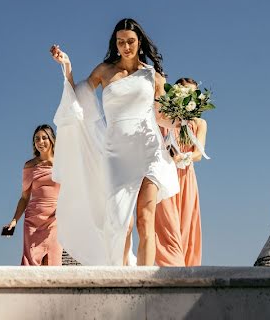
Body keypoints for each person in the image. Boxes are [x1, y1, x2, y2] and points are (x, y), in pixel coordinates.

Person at [49, 18, 180, 266]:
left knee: (145, 218)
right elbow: (79, 97)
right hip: (116, 153)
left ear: (139, 42)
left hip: (148, 147)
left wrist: (182, 120)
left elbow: (162, 116)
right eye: (121, 42)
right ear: (115, 44)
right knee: (121, 222)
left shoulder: (153, 76)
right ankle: (122, 277)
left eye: (130, 41)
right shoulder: (104, 71)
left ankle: (145, 284)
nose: (126, 47)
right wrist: (66, 66)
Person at [155, 77, 208, 266]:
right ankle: (170, 267)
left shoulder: (200, 123)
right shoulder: (164, 119)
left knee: (186, 224)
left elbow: (198, 154)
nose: (189, 95)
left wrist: (181, 158)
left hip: (186, 177)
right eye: (185, 91)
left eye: (193, 93)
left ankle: (186, 270)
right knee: (167, 224)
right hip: (165, 174)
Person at [2, 124, 63, 266]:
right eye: (37, 139)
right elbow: (24, 197)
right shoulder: (29, 166)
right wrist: (14, 220)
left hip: (55, 219)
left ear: (52, 139)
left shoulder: (62, 164)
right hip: (33, 220)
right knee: (32, 263)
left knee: (52, 261)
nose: (40, 142)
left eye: (44, 138)